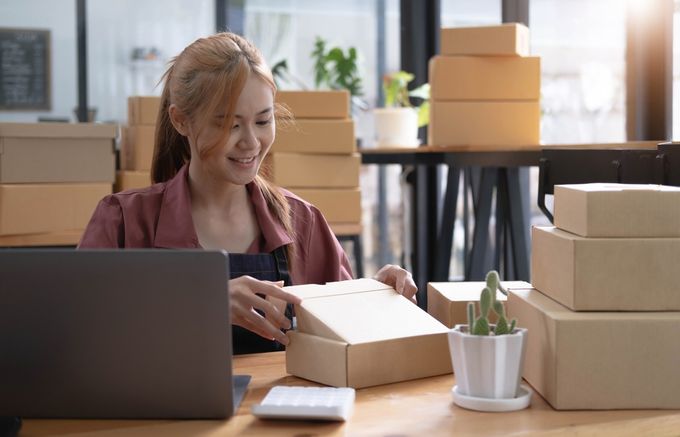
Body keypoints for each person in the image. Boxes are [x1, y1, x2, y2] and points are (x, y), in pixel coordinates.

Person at [79, 32, 417, 354]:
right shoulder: (123, 222)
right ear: (181, 121)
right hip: (161, 415)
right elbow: (77, 336)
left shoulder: (304, 222)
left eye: (262, 121)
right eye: (229, 124)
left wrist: (377, 295)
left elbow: (345, 331)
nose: (251, 143)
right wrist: (202, 303)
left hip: (278, 413)